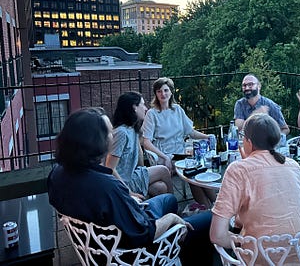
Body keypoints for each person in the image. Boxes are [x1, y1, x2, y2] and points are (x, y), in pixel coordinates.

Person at [47, 107, 213, 265]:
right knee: (209, 219)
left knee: (169, 199)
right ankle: (177, 247)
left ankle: (178, 242)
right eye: (109, 132)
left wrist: (129, 200)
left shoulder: (57, 174)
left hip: (100, 246)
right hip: (132, 254)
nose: (112, 135)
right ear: (95, 142)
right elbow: (143, 233)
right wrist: (172, 220)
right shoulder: (106, 186)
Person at [210, 113, 300, 261]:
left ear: (248, 142)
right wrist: (248, 161)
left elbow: (217, 235)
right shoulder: (293, 165)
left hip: (261, 259)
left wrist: (239, 240)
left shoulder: (238, 170)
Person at [142, 77, 216, 208]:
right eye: (159, 91)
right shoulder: (152, 114)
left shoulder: (177, 110)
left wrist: (207, 137)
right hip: (163, 155)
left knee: (199, 170)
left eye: (166, 90)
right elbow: (146, 142)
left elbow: (191, 132)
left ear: (171, 92)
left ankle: (215, 204)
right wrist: (164, 157)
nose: (163, 94)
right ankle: (207, 207)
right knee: (193, 172)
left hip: (181, 154)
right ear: (156, 94)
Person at [105, 92, 173, 200]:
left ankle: (161, 210)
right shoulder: (121, 133)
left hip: (132, 175)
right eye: (143, 104)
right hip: (122, 182)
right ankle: (174, 209)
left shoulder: (132, 128)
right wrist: (129, 192)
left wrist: (143, 172)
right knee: (163, 170)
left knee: (161, 188)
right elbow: (110, 167)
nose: (146, 108)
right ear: (134, 107)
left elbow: (140, 153)